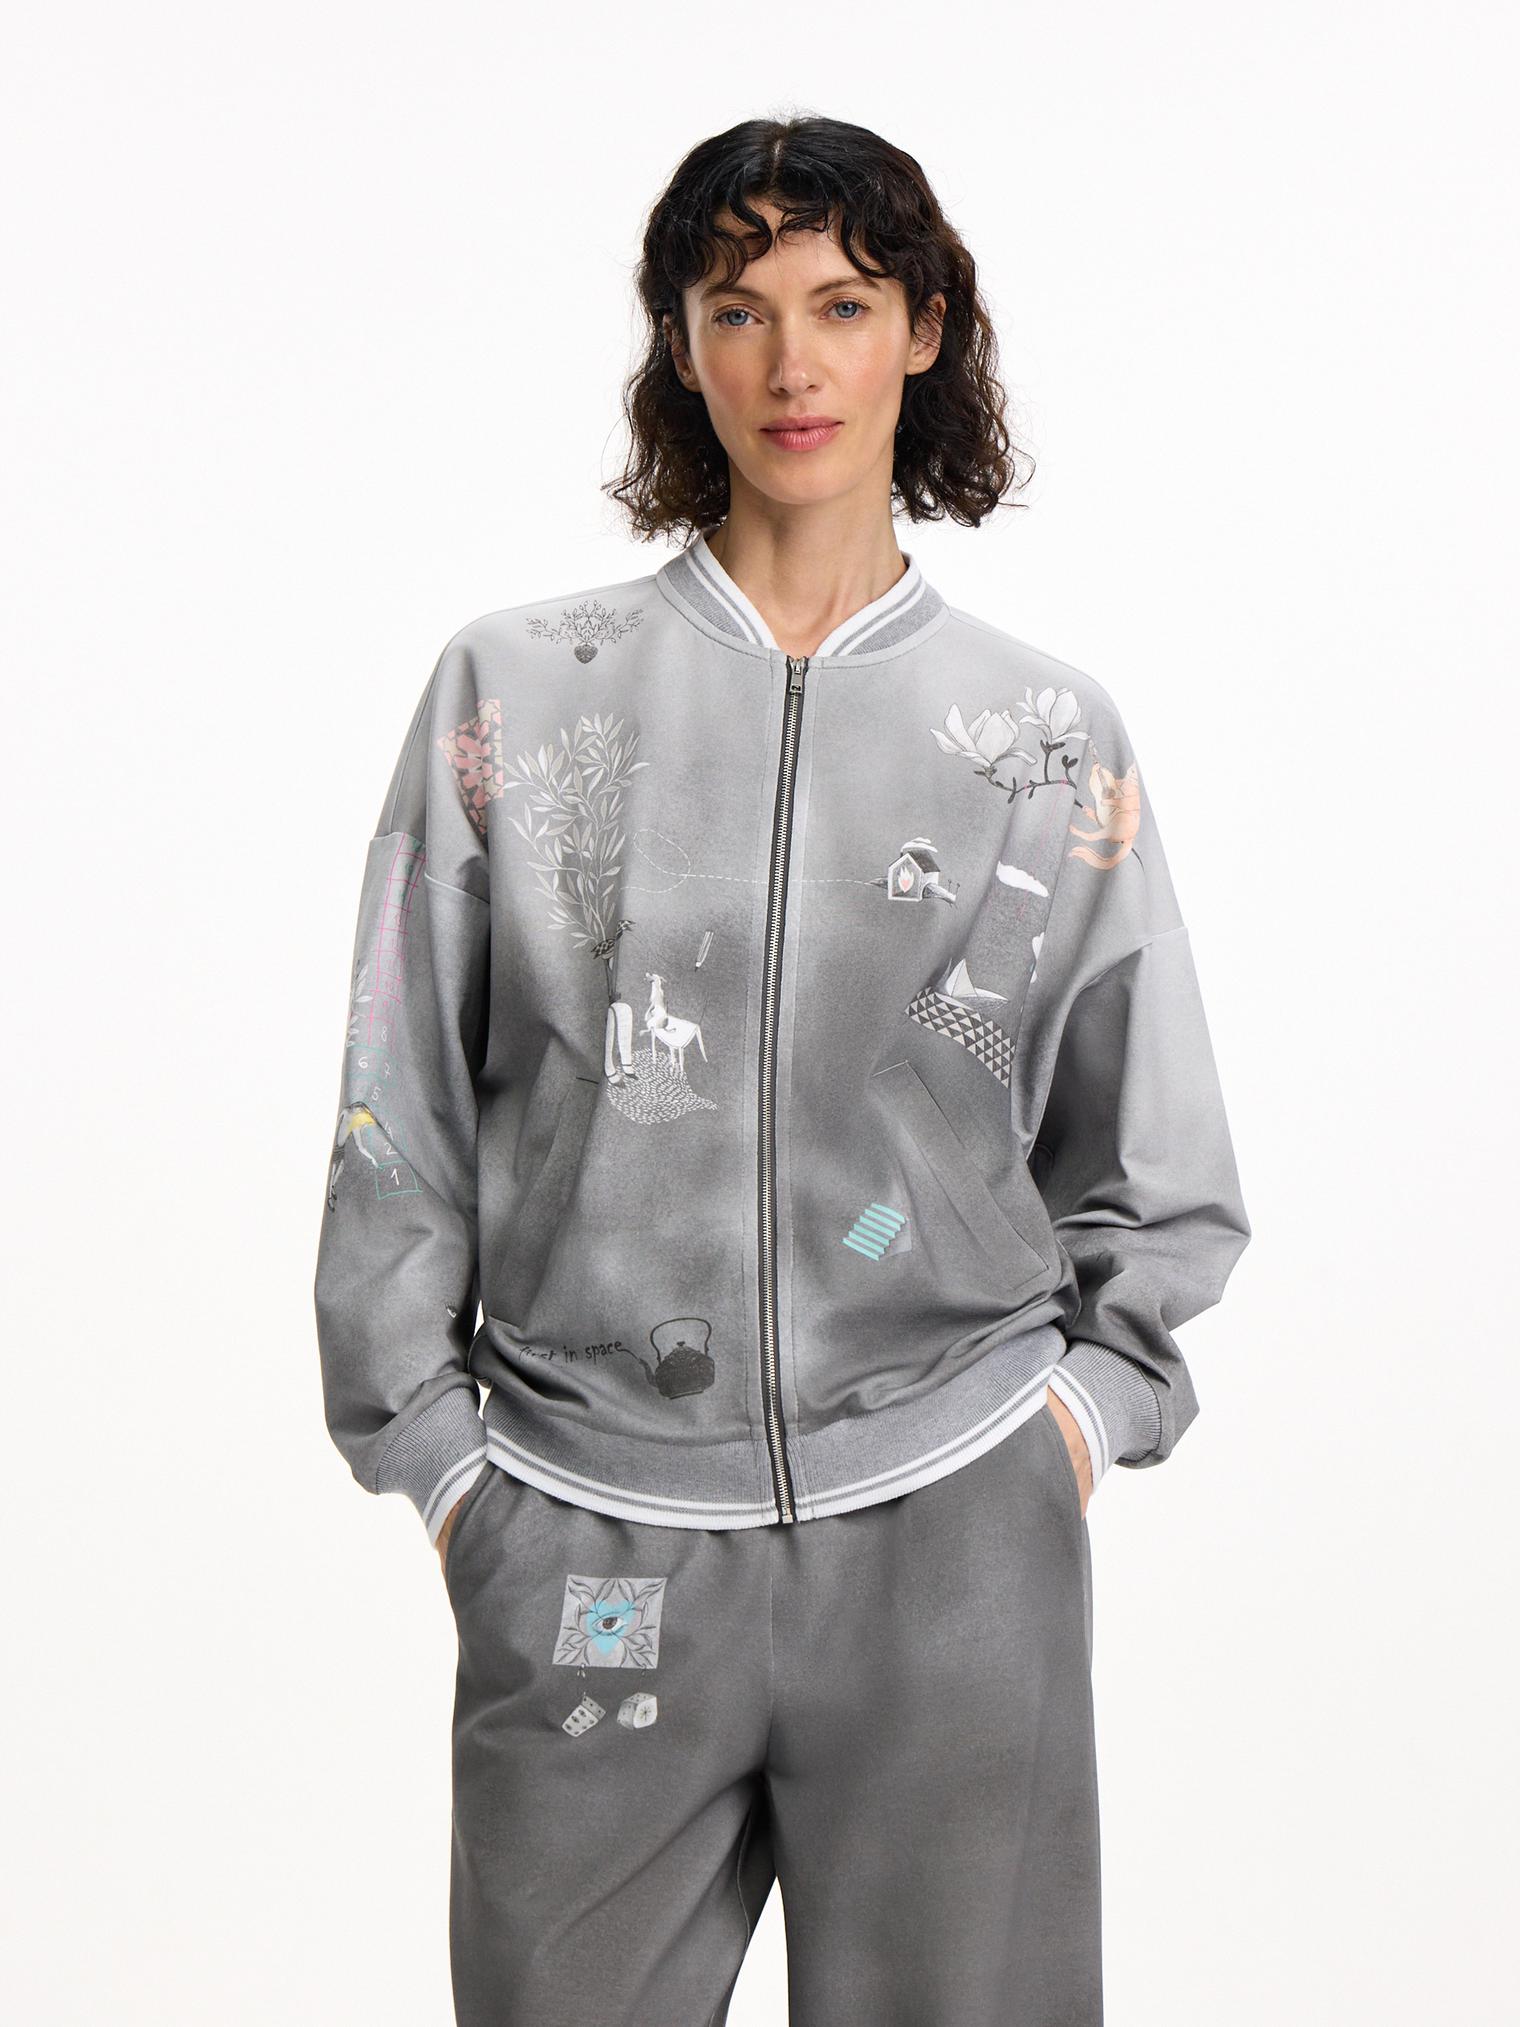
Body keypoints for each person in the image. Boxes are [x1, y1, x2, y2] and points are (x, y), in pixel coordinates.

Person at [313, 113, 1251, 2027]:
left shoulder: (1041, 735)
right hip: (584, 1528)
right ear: (680, 341)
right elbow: (396, 1104)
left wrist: (1070, 1431)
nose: (791, 363)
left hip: (953, 1536)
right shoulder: (517, 691)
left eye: (842, 304)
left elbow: (1151, 1166)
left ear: (924, 331)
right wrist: (450, 1475)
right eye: (737, 309)